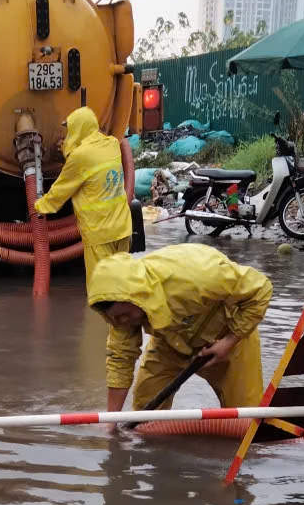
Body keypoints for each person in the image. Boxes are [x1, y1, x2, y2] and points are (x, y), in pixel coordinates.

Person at [86, 244, 272, 413]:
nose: (122, 321)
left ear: (136, 296)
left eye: (124, 315)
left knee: (246, 422)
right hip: (169, 344)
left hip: (226, 340)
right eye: (116, 318)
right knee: (145, 417)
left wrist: (229, 342)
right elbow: (121, 360)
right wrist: (111, 422)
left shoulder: (200, 275)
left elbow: (261, 290)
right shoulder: (120, 316)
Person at [33, 106, 132, 282]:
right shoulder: (111, 144)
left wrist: (39, 206)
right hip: (122, 229)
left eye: (71, 129)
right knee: (121, 283)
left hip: (99, 234)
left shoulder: (79, 158)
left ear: (79, 129)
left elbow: (60, 190)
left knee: (101, 290)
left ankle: (97, 311)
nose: (69, 133)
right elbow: (88, 161)